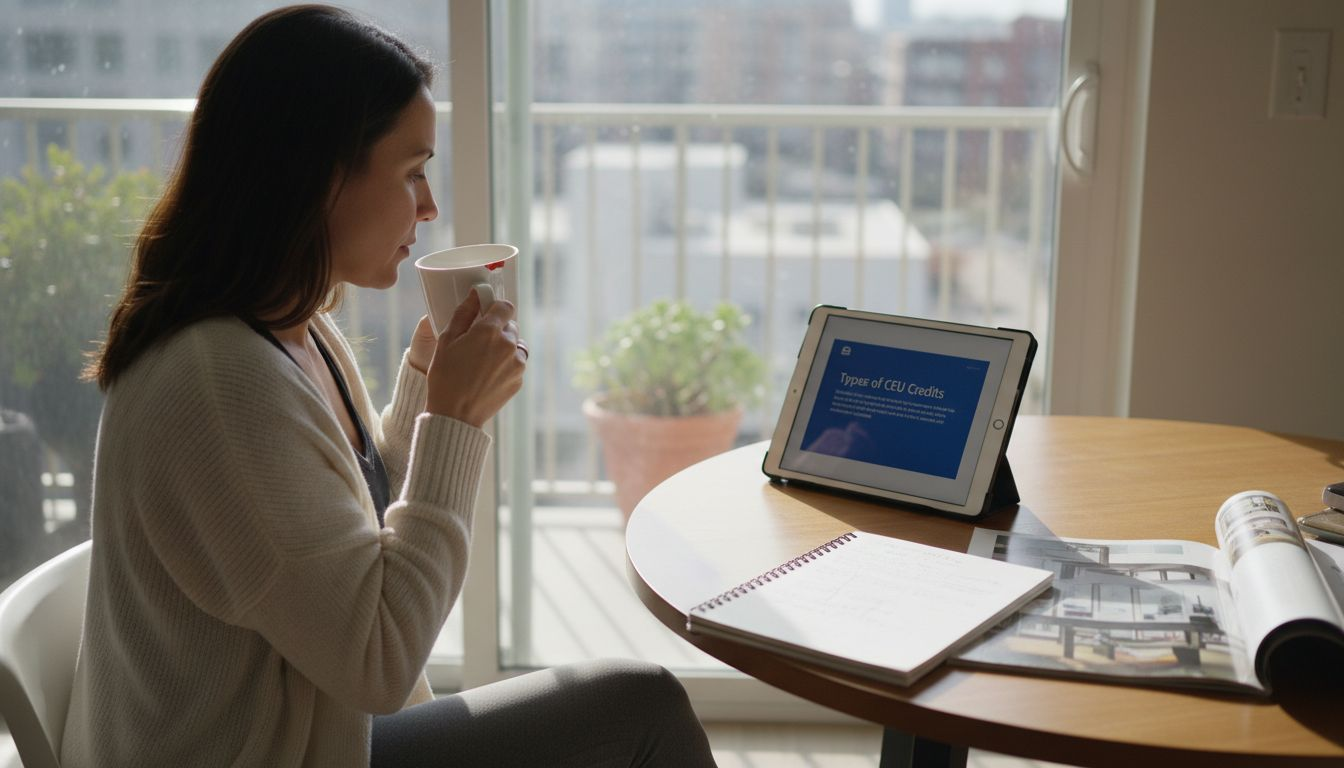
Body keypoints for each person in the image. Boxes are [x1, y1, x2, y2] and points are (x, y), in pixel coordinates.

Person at [64, 5, 717, 767]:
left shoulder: (288, 326)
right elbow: (379, 660)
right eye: (412, 172)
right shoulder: (217, 386)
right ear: (317, 176)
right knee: (641, 705)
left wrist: (424, 387)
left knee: (629, 704)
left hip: (312, 735)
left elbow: (344, 524)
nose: (430, 206)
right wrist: (454, 421)